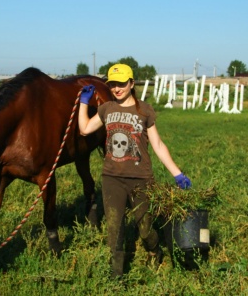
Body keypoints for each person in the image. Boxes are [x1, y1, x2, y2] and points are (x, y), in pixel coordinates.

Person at [78, 63, 191, 278]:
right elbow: (84, 129)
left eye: (121, 83)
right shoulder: (106, 109)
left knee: (145, 228)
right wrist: (84, 103)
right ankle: (116, 274)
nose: (116, 88)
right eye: (112, 84)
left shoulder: (145, 110)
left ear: (131, 83)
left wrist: (177, 173)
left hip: (141, 178)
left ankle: (154, 251)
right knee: (114, 228)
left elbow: (157, 145)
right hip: (112, 178)